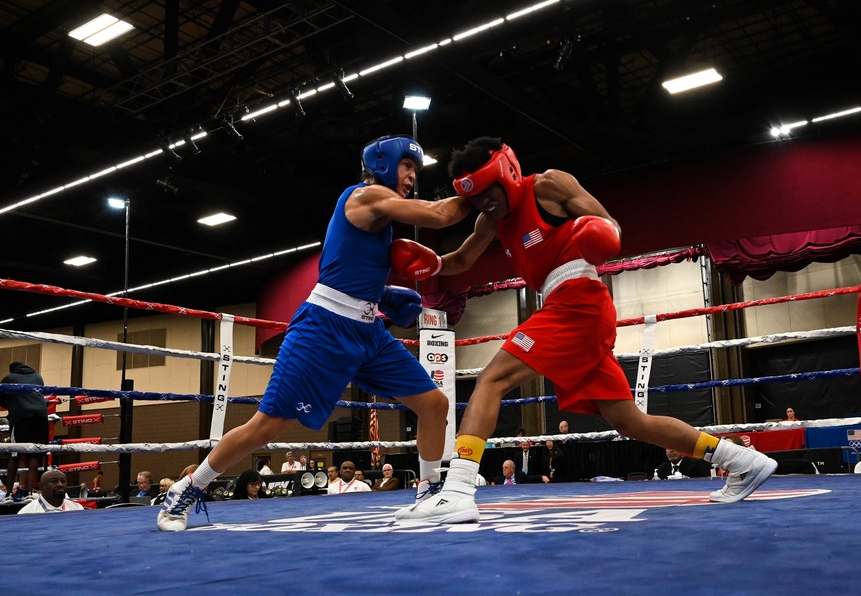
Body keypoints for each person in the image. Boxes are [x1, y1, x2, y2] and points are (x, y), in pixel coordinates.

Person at [394, 137, 776, 523]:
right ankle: (742, 460)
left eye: (488, 193)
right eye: (475, 199)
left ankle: (458, 489)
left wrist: (599, 232)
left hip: (579, 298)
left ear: (506, 174)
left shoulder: (548, 185)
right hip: (566, 306)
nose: (484, 203)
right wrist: (432, 265)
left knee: (492, 378)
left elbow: (609, 225)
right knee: (629, 421)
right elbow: (463, 258)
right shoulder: (490, 221)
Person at [156, 135, 471, 532]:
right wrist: (480, 185)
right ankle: (186, 488)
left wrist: (384, 296)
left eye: (415, 169)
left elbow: (354, 269)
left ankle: (428, 493)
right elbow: (441, 215)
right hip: (323, 329)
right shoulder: (363, 197)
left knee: (434, 404)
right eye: (407, 165)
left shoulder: (382, 220)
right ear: (384, 163)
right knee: (267, 425)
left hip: (368, 332)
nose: (412, 175)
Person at [0, 361, 49, 500]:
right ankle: (30, 493)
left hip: (21, 416)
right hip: (41, 416)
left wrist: (10, 402)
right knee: (35, 454)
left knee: (14, 454)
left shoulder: (9, 378)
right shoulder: (38, 377)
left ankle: (8, 494)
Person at [17, 470, 85, 514]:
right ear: (41, 487)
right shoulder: (27, 513)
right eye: (54, 481)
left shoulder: (77, 509)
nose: (60, 484)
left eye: (63, 481)